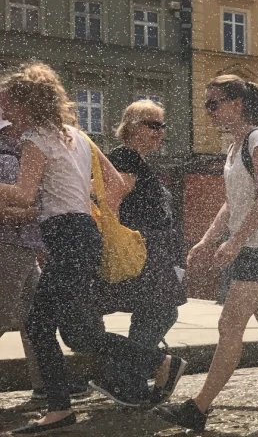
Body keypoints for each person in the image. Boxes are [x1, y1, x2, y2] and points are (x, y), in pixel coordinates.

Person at [0, 63, 186, 434]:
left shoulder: (35, 139)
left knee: (38, 326)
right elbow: (116, 184)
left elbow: (21, 193)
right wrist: (73, 202)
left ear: (26, 103)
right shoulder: (77, 135)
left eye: (8, 104)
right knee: (77, 334)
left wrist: (58, 206)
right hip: (82, 233)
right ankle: (157, 363)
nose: (5, 111)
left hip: (68, 237)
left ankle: (61, 408)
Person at [154, 75, 258, 432]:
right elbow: (233, 204)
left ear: (237, 103)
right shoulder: (235, 147)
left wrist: (235, 241)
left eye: (214, 103)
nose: (209, 111)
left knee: (229, 325)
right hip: (251, 246)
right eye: (207, 104)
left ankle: (198, 408)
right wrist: (208, 239)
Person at [93, 100, 188, 400]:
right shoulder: (125, 158)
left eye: (162, 126)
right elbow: (110, 203)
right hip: (141, 249)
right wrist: (114, 242)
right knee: (160, 312)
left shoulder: (135, 159)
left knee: (155, 312)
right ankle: (124, 376)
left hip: (150, 249)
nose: (160, 132)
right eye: (153, 125)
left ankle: (125, 378)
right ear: (132, 126)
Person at [0, 115, 90, 403]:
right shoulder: (10, 155)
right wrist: (34, 211)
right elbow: (23, 201)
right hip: (8, 245)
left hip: (23, 245)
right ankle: (50, 386)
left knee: (33, 320)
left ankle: (48, 385)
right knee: (6, 317)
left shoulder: (25, 150)